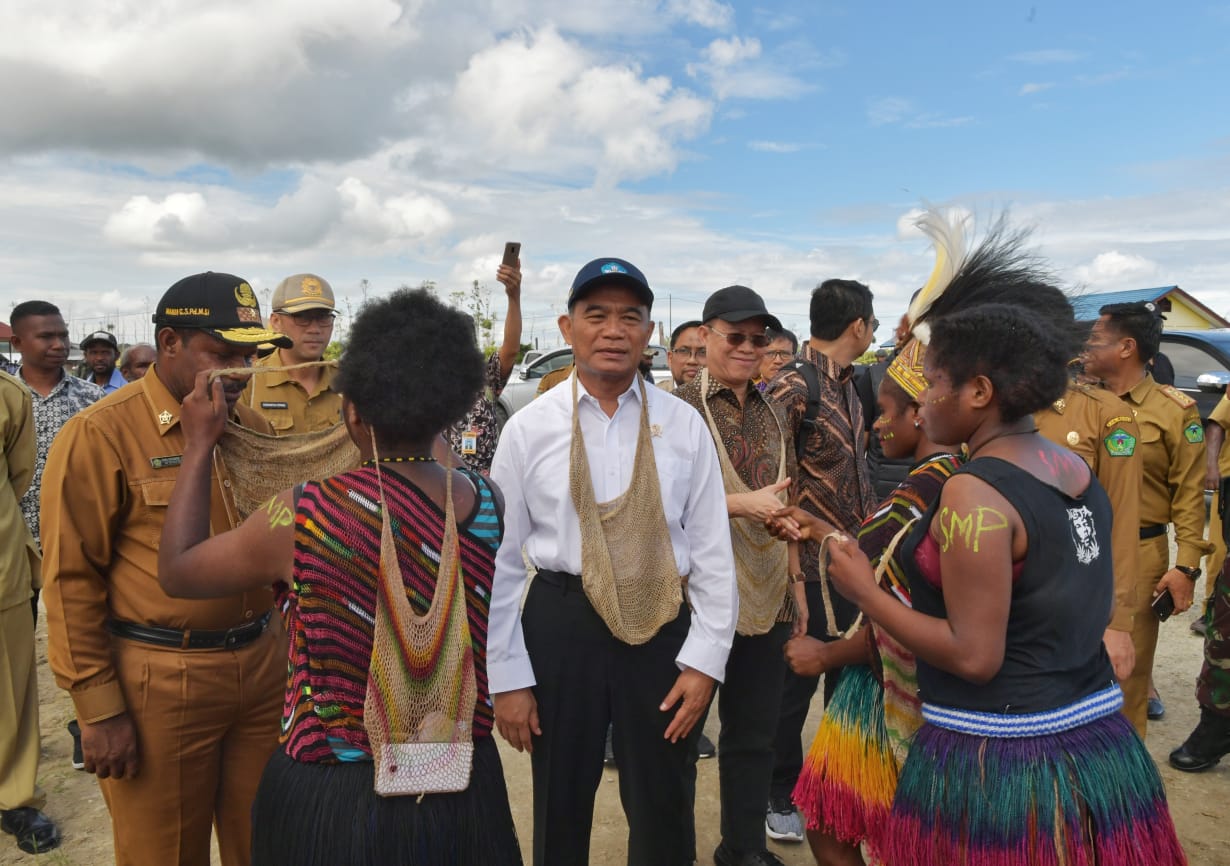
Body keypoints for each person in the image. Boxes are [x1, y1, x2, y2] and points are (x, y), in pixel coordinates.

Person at [156, 287, 521, 865]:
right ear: (452, 410)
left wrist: (199, 445)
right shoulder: (486, 503)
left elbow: (179, 571)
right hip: (458, 782)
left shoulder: (300, 515)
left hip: (329, 793)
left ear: (351, 413)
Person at [826, 303, 1185, 866]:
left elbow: (974, 656)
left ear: (980, 392)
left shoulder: (975, 492)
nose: (923, 400)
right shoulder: (1072, 467)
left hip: (1003, 761)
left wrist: (865, 593)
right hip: (1094, 744)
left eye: (935, 382)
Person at [488, 257, 737, 866]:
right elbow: (499, 562)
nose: (613, 330)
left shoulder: (682, 426)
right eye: (595, 315)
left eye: (630, 316)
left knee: (663, 800)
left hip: (657, 628)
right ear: (566, 328)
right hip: (561, 622)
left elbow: (710, 552)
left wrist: (704, 663)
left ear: (649, 331)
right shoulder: (528, 430)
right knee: (560, 798)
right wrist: (508, 676)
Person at [40, 273, 289, 866]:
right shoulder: (100, 433)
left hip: (260, 668)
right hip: (162, 677)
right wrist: (99, 710)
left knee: (270, 841)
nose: (239, 371)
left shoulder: (253, 426)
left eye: (248, 356)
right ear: (171, 342)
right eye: (222, 354)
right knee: (165, 852)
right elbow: (71, 581)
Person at [774, 337, 958, 866]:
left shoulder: (927, 497)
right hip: (904, 693)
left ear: (919, 415)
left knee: (835, 826)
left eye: (885, 412)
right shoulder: (951, 480)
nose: (878, 425)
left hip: (889, 697)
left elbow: (907, 618)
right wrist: (820, 529)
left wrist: (827, 656)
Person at [675, 286, 802, 866]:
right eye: (736, 336)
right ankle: (669, 849)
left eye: (760, 337)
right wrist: (739, 505)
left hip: (768, 594)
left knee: (753, 737)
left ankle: (742, 849)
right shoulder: (675, 409)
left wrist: (797, 587)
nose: (749, 347)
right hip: (691, 602)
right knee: (676, 738)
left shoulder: (775, 410)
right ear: (706, 336)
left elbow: (787, 494)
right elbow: (657, 504)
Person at [764, 279, 876, 844]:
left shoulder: (851, 386)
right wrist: (794, 570)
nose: (873, 333)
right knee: (793, 688)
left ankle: (836, 785)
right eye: (872, 324)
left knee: (847, 673)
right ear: (857, 324)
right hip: (805, 566)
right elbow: (773, 483)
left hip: (848, 561)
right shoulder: (792, 386)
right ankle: (779, 791)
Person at [1081, 301, 1210, 734]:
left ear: (1126, 347)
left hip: (1139, 554)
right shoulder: (1076, 404)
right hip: (1077, 547)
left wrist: (1186, 567)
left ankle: (1120, 790)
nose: (1086, 346)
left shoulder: (1176, 411)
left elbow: (1189, 496)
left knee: (1125, 680)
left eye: (1096, 338)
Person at [0, 371, 60, 856]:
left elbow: (19, 474)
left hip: (0, 567)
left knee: (10, 688)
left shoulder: (7, 395)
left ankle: (14, 797)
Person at [444, 260, 523, 473]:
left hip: (484, 486)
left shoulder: (487, 378)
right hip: (445, 486)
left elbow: (512, 348)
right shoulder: (430, 385)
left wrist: (513, 296)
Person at [243, 273, 342, 434]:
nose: (315, 329)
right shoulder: (248, 383)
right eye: (301, 317)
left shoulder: (351, 383)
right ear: (275, 322)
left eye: (323, 318)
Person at [661, 320, 705, 393]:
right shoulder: (650, 398)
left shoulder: (726, 401)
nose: (692, 361)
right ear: (670, 358)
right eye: (683, 351)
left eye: (703, 352)